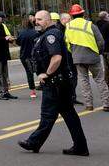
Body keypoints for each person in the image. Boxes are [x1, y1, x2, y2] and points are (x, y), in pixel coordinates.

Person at [18, 10, 89, 157]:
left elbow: (56, 58)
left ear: (48, 20)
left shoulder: (51, 35)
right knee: (69, 114)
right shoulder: (47, 34)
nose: (36, 22)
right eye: (35, 19)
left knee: (48, 114)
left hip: (55, 82)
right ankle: (80, 146)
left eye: (39, 19)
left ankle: (34, 142)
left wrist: (47, 74)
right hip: (61, 82)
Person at [65, 4, 109, 112]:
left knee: (84, 81)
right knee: (100, 80)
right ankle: (106, 104)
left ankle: (89, 105)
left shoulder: (68, 26)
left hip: (78, 58)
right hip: (92, 57)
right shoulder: (90, 25)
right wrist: (99, 52)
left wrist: (74, 53)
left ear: (72, 15)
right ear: (83, 14)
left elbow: (67, 43)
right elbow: (101, 42)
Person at [17, 13, 41, 99]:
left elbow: (18, 42)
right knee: (40, 70)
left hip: (24, 55)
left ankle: (32, 91)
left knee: (29, 72)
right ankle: (44, 85)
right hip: (35, 55)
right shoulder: (36, 31)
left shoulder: (21, 32)